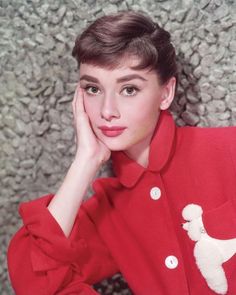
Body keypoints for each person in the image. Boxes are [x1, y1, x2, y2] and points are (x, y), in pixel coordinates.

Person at [7, 10, 236, 295]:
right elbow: (34, 282)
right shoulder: (107, 213)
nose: (106, 111)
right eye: (93, 88)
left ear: (166, 93)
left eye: (129, 89)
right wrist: (85, 162)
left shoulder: (229, 150)